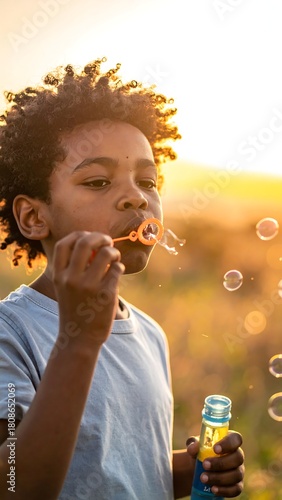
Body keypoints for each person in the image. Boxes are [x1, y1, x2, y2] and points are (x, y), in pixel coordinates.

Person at [0, 58, 244, 499]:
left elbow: (120, 471)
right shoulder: (10, 333)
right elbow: (16, 483)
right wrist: (79, 342)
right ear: (34, 217)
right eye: (97, 182)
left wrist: (190, 471)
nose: (136, 198)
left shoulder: (150, 334)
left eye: (148, 181)